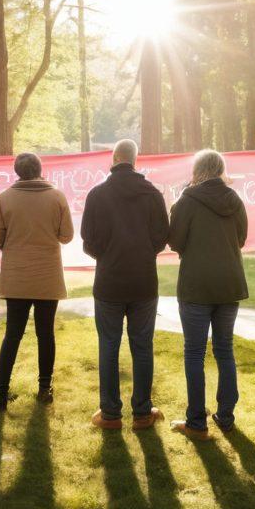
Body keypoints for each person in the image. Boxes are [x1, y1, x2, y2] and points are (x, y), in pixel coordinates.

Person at [81, 139, 169, 430]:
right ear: (134, 160)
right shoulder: (152, 194)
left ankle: (110, 414)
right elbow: (161, 238)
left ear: (115, 158)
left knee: (108, 345)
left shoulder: (97, 194)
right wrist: (142, 252)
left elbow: (88, 240)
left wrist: (106, 255)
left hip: (109, 280)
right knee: (142, 346)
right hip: (144, 280)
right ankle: (142, 412)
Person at [167, 149, 248, 440]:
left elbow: (174, 241)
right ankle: (226, 416)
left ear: (197, 170)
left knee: (194, 353)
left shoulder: (186, 201)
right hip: (229, 284)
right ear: (221, 169)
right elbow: (240, 238)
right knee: (225, 350)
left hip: (196, 285)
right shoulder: (234, 199)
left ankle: (196, 422)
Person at [0, 152, 73, 410]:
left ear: (17, 171)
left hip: (16, 275)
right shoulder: (57, 196)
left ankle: (1, 393)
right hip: (48, 275)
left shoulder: (5, 198)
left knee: (12, 334)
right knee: (45, 333)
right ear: (40, 169)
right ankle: (44, 387)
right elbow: (67, 235)